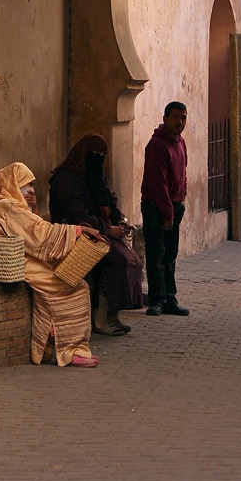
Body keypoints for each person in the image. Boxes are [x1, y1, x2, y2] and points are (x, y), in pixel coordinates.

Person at [0, 161, 101, 368]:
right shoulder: (7, 206)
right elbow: (39, 235)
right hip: (20, 261)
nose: (29, 190)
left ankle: (49, 341)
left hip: (29, 257)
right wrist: (77, 232)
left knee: (76, 284)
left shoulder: (15, 205)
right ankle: (71, 350)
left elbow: (34, 230)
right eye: (24, 185)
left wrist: (34, 208)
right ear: (12, 184)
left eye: (30, 185)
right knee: (74, 287)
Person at [49, 134, 144, 335]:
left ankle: (113, 316)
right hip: (78, 234)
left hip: (100, 232)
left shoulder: (96, 175)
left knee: (132, 259)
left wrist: (120, 221)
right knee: (117, 260)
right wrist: (107, 229)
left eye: (103, 154)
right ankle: (101, 319)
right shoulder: (66, 179)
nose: (99, 158)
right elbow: (77, 214)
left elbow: (109, 200)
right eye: (95, 154)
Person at [140, 101, 189, 316]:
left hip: (174, 206)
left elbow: (182, 174)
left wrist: (179, 203)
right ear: (165, 118)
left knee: (170, 255)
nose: (180, 122)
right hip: (156, 208)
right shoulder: (157, 146)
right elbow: (157, 184)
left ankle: (170, 298)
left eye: (183, 117)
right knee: (157, 255)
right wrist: (167, 214)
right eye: (176, 117)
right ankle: (157, 300)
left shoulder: (180, 143)